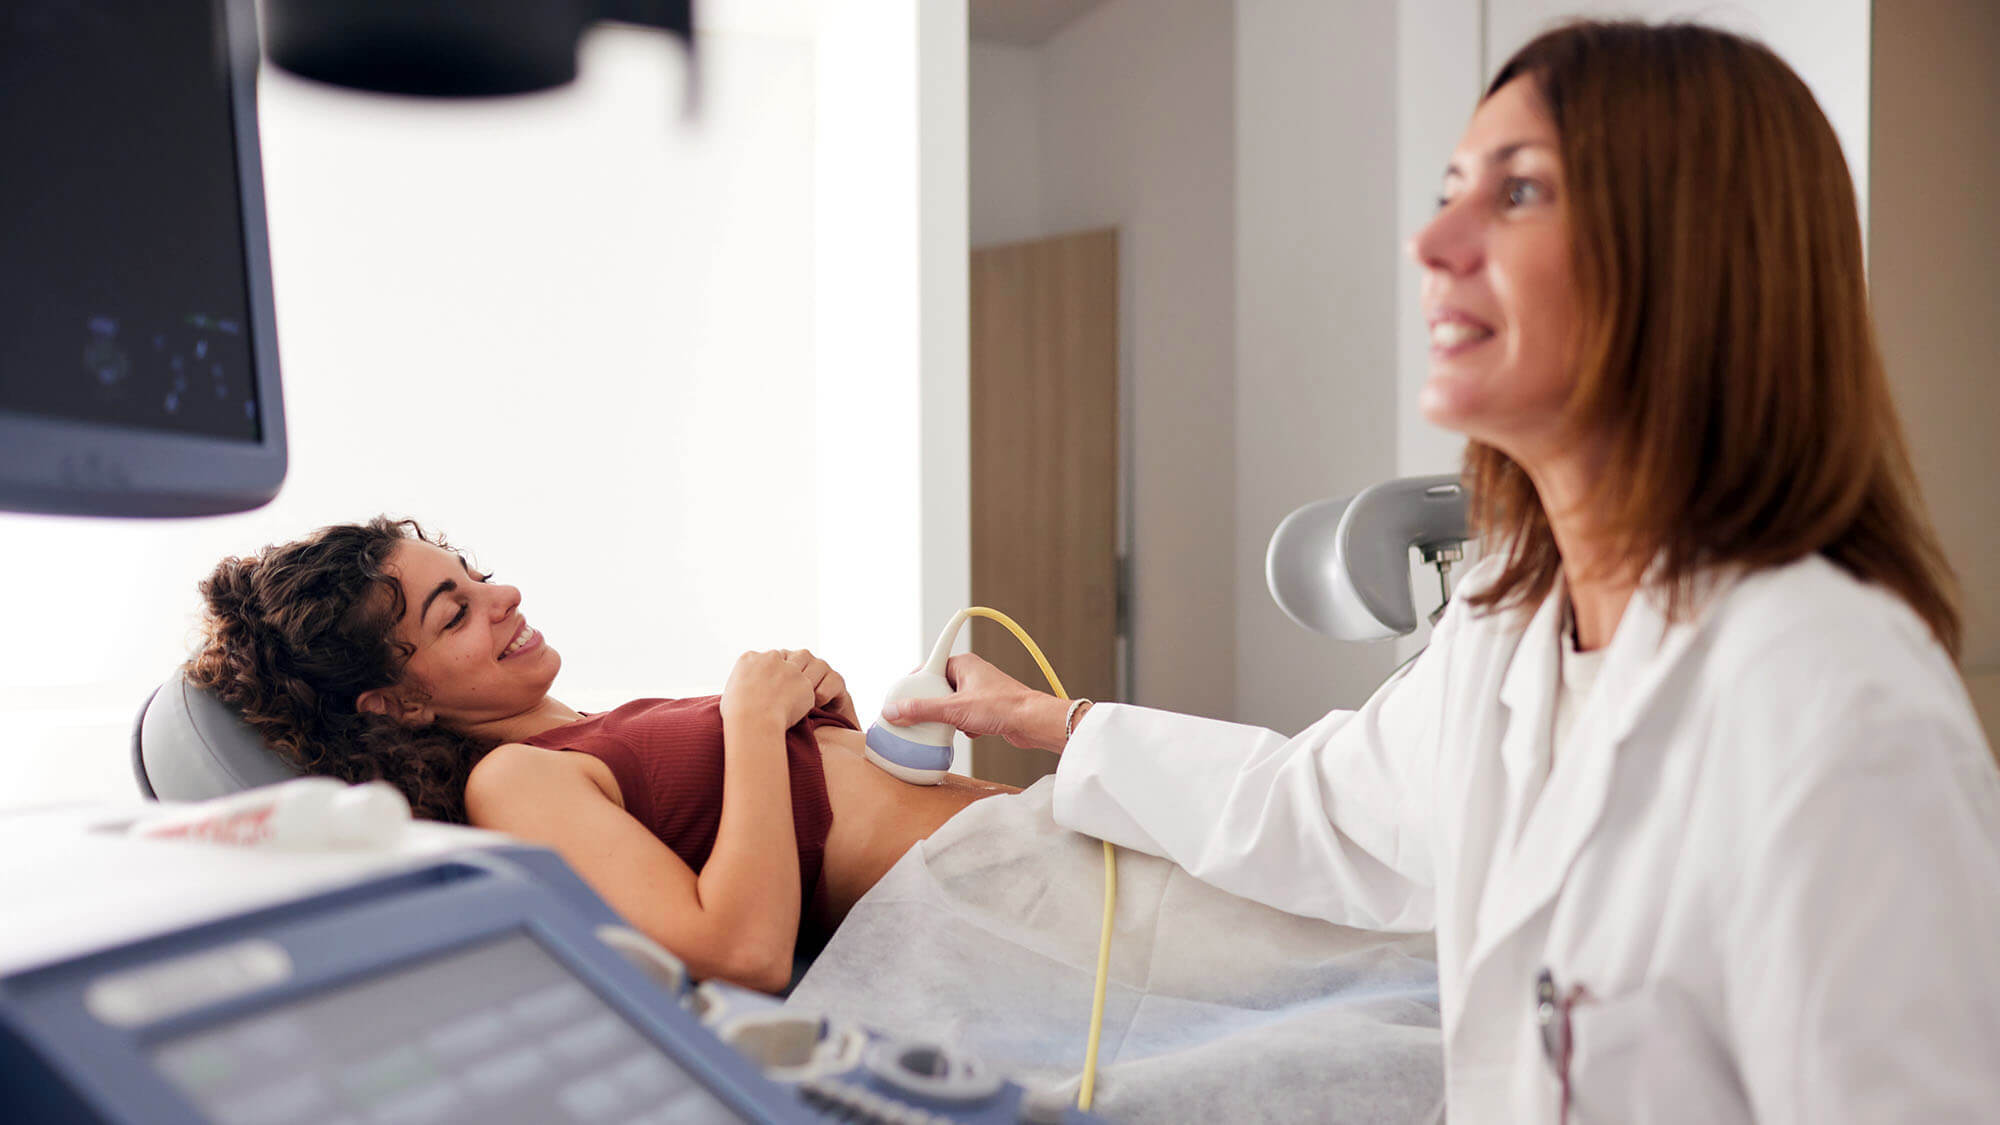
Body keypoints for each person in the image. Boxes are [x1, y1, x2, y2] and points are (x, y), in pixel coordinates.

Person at [883, 20, 2000, 1123]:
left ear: (1692, 257)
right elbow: (1317, 809)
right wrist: (1055, 720)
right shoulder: (1506, 625)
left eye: (1514, 194)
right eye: (1448, 190)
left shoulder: (1835, 707)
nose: (1428, 244)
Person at [187, 517, 1014, 994]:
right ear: (399, 702)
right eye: (455, 613)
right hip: (1000, 899)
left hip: (1015, 853)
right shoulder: (512, 781)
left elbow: (797, 839)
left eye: (476, 576)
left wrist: (820, 727)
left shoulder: (584, 727)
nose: (502, 597)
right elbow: (742, 952)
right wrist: (755, 724)